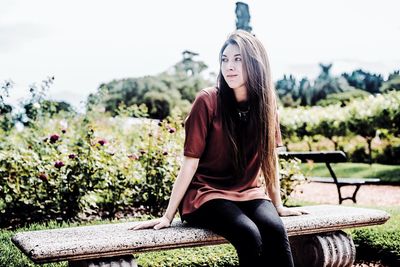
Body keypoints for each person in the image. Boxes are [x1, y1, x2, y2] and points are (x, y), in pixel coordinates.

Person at [132, 30, 307, 267]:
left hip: (248, 192)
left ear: (255, 64)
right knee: (248, 233)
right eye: (225, 59)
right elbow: (190, 162)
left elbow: (269, 159)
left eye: (238, 59)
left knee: (275, 230)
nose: (229, 66)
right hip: (206, 194)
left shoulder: (267, 105)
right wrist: (167, 215)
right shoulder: (207, 101)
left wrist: (278, 205)